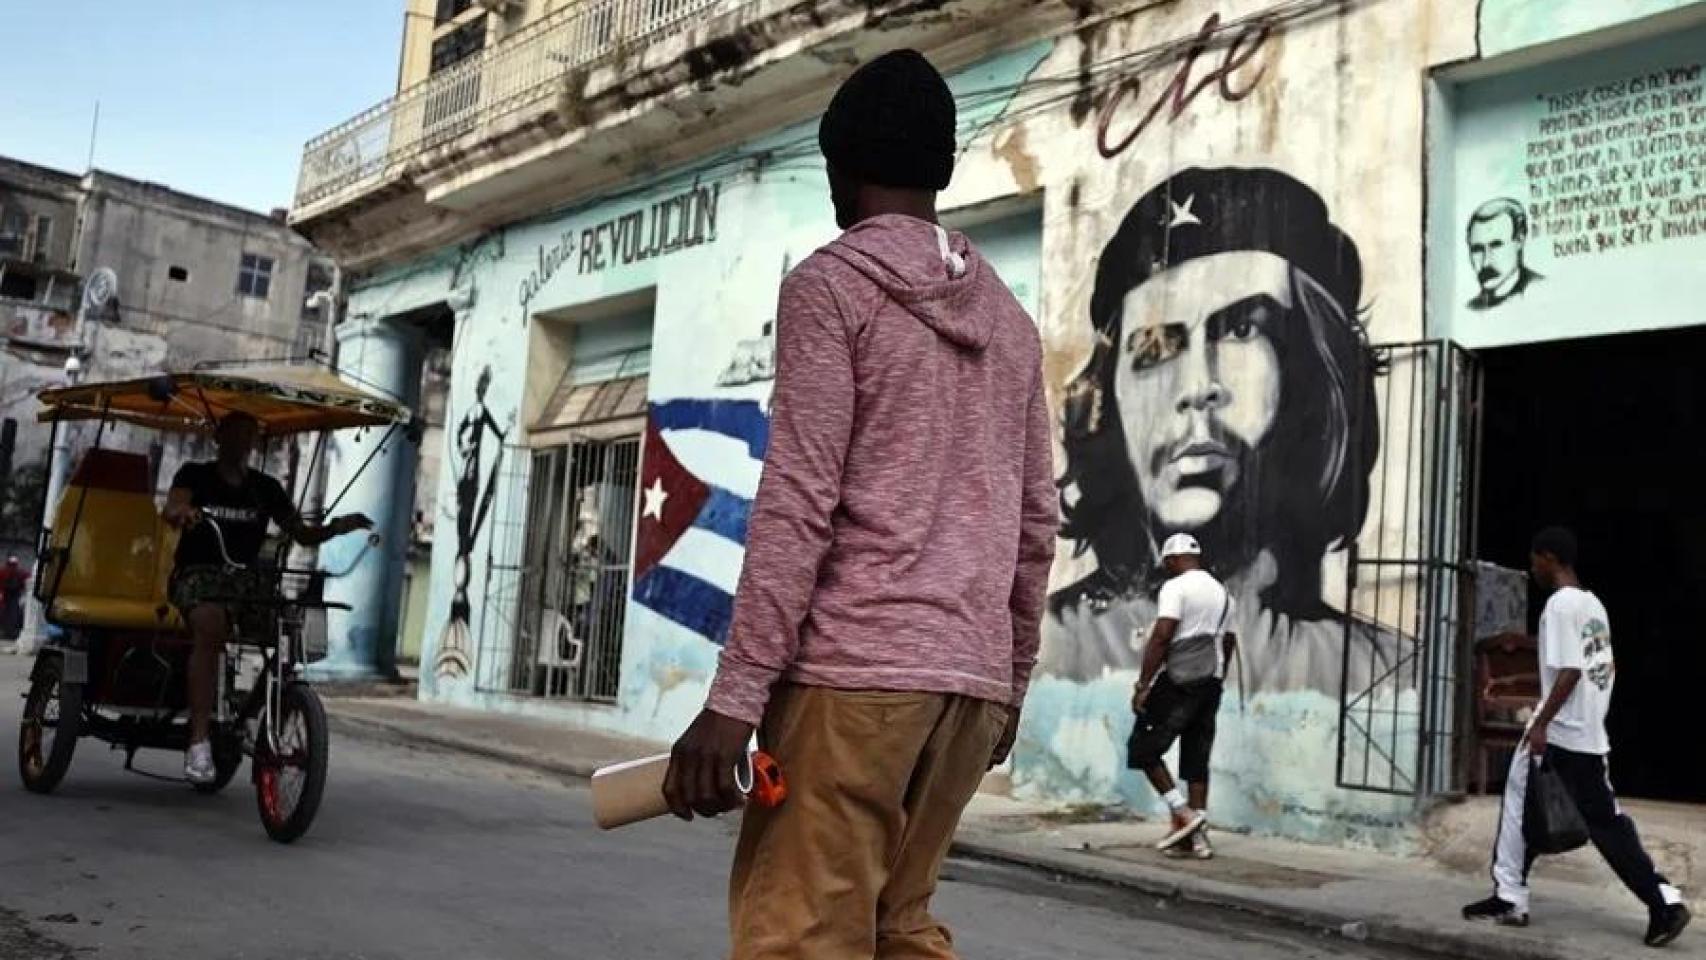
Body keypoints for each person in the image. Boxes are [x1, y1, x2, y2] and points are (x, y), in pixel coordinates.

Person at [662, 48, 1055, 959]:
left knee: (800, 936)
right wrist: (1009, 683)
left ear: (838, 168)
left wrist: (735, 696)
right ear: (945, 170)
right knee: (900, 930)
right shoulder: (1010, 322)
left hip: (855, 681)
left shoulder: (830, 287)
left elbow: (798, 501)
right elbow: (1037, 520)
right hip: (966, 691)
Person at [1044, 166, 1390, 697]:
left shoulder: (1384, 679)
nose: (1197, 386)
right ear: (1110, 396)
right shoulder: (1050, 654)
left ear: (1319, 376)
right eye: (1154, 348)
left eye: (1241, 330)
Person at [1462, 527, 1690, 948]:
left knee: (1578, 820)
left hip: (1562, 734)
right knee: (1562, 811)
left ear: (1550, 558)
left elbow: (1570, 671)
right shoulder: (1594, 605)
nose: (1532, 568)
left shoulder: (1559, 607)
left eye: (1535, 560)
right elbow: (1604, 668)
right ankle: (1512, 892)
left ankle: (1661, 901)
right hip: (1587, 731)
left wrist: (1544, 723)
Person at [163, 412, 371, 785]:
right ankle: (198, 741)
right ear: (219, 438)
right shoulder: (195, 475)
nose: (242, 441)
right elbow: (172, 508)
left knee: (288, 631)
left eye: (249, 435)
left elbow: (302, 534)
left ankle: (252, 712)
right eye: (235, 433)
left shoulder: (266, 488)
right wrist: (186, 513)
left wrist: (338, 528)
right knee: (210, 627)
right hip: (199, 576)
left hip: (249, 582)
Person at [1128, 533, 1235, 860]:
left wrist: (1144, 683)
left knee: (1143, 749)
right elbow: (1229, 642)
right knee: (1196, 756)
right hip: (1211, 681)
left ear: (1173, 560)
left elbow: (1163, 635)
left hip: (1178, 681)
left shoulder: (1176, 588)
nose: (1166, 568)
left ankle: (1184, 815)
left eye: (1167, 563)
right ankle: (1198, 840)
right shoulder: (1224, 593)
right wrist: (1217, 677)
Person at [1466, 198, 1542, 311]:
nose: (1485, 262)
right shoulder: (1471, 308)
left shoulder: (1542, 291)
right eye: (1477, 249)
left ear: (1519, 240)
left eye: (1496, 245)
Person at [0, 555, 29, 640]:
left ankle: (10, 633)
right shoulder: (3, 571)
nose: (12, 567)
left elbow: (27, 579)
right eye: (11, 564)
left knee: (13, 615)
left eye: (13, 565)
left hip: (14, 596)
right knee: (6, 614)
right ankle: (6, 632)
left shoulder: (19, 572)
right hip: (5, 595)